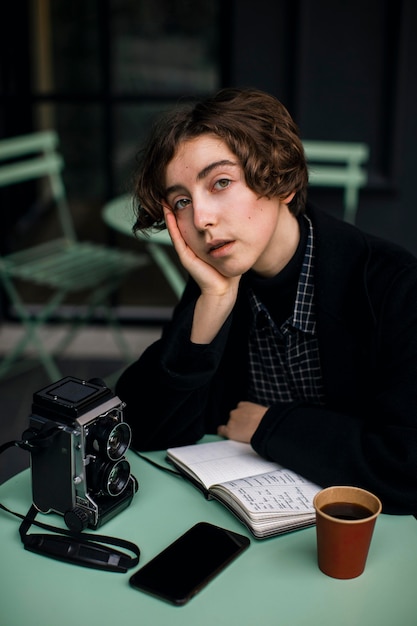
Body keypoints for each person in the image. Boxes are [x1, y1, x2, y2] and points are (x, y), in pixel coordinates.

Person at [116, 87, 417, 515]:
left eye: (220, 183)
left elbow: (407, 463)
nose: (201, 219)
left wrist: (271, 426)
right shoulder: (218, 282)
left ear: (280, 181)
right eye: (182, 201)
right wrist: (213, 306)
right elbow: (139, 430)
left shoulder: (393, 285)